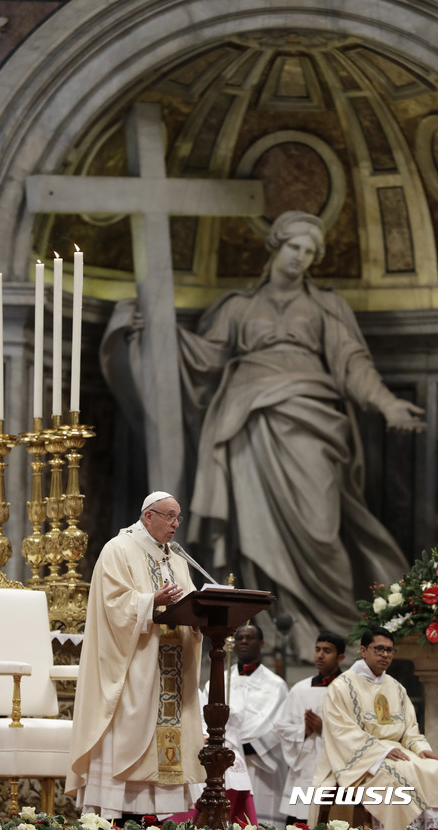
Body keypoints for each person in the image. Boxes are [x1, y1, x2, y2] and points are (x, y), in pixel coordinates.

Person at [101, 211, 425, 660]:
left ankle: (333, 630)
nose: (301, 258)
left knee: (321, 529)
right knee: (253, 530)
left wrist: (388, 404)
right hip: (247, 423)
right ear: (276, 246)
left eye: (311, 252)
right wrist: (157, 331)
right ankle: (273, 630)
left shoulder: (327, 306)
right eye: (295, 247)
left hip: (310, 420)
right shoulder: (238, 306)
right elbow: (205, 358)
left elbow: (353, 365)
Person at [65, 491, 205, 821]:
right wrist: (149, 602)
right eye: (169, 517)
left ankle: (153, 819)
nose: (175, 524)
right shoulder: (119, 549)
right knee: (129, 729)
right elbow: (111, 606)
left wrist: (200, 617)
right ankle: (118, 814)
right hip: (134, 668)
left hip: (169, 671)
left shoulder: (177, 557)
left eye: (178, 518)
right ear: (148, 516)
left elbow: (189, 602)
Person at [311, 626, 438, 830]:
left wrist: (422, 749)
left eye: (389, 650)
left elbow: (410, 729)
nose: (385, 655)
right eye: (379, 649)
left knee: (434, 769)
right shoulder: (342, 686)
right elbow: (341, 732)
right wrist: (382, 751)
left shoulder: (396, 687)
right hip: (358, 758)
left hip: (397, 752)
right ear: (363, 651)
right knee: (396, 782)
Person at [202, 622, 288, 827]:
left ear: (262, 643)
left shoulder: (275, 684)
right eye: (239, 637)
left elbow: (280, 724)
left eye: (249, 638)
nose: (243, 642)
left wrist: (247, 746)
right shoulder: (219, 680)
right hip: (224, 763)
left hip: (259, 761)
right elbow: (204, 716)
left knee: (258, 817)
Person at [273, 629, 345, 823]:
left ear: (341, 657)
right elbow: (282, 726)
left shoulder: (349, 690)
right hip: (304, 770)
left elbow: (358, 732)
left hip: (335, 772)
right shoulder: (300, 689)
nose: (320, 655)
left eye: (327, 651)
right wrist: (303, 732)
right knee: (299, 822)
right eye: (317, 649)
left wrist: (324, 730)